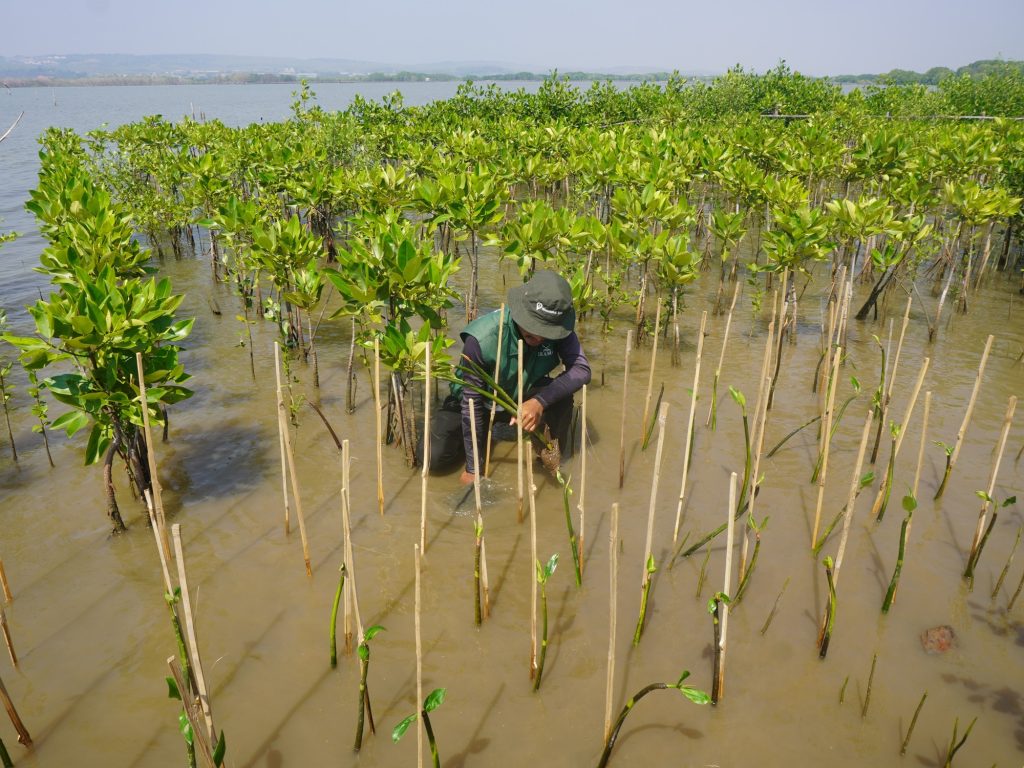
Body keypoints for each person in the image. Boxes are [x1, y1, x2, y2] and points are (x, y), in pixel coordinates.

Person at [428, 270, 591, 484]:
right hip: (480, 401)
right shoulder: (482, 339)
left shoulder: (560, 331)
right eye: (533, 327)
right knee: (434, 460)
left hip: (523, 397)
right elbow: (472, 402)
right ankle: (483, 437)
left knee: (561, 397)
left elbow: (581, 369)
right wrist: (473, 468)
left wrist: (539, 402)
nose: (539, 337)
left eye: (547, 332)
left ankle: (545, 453)